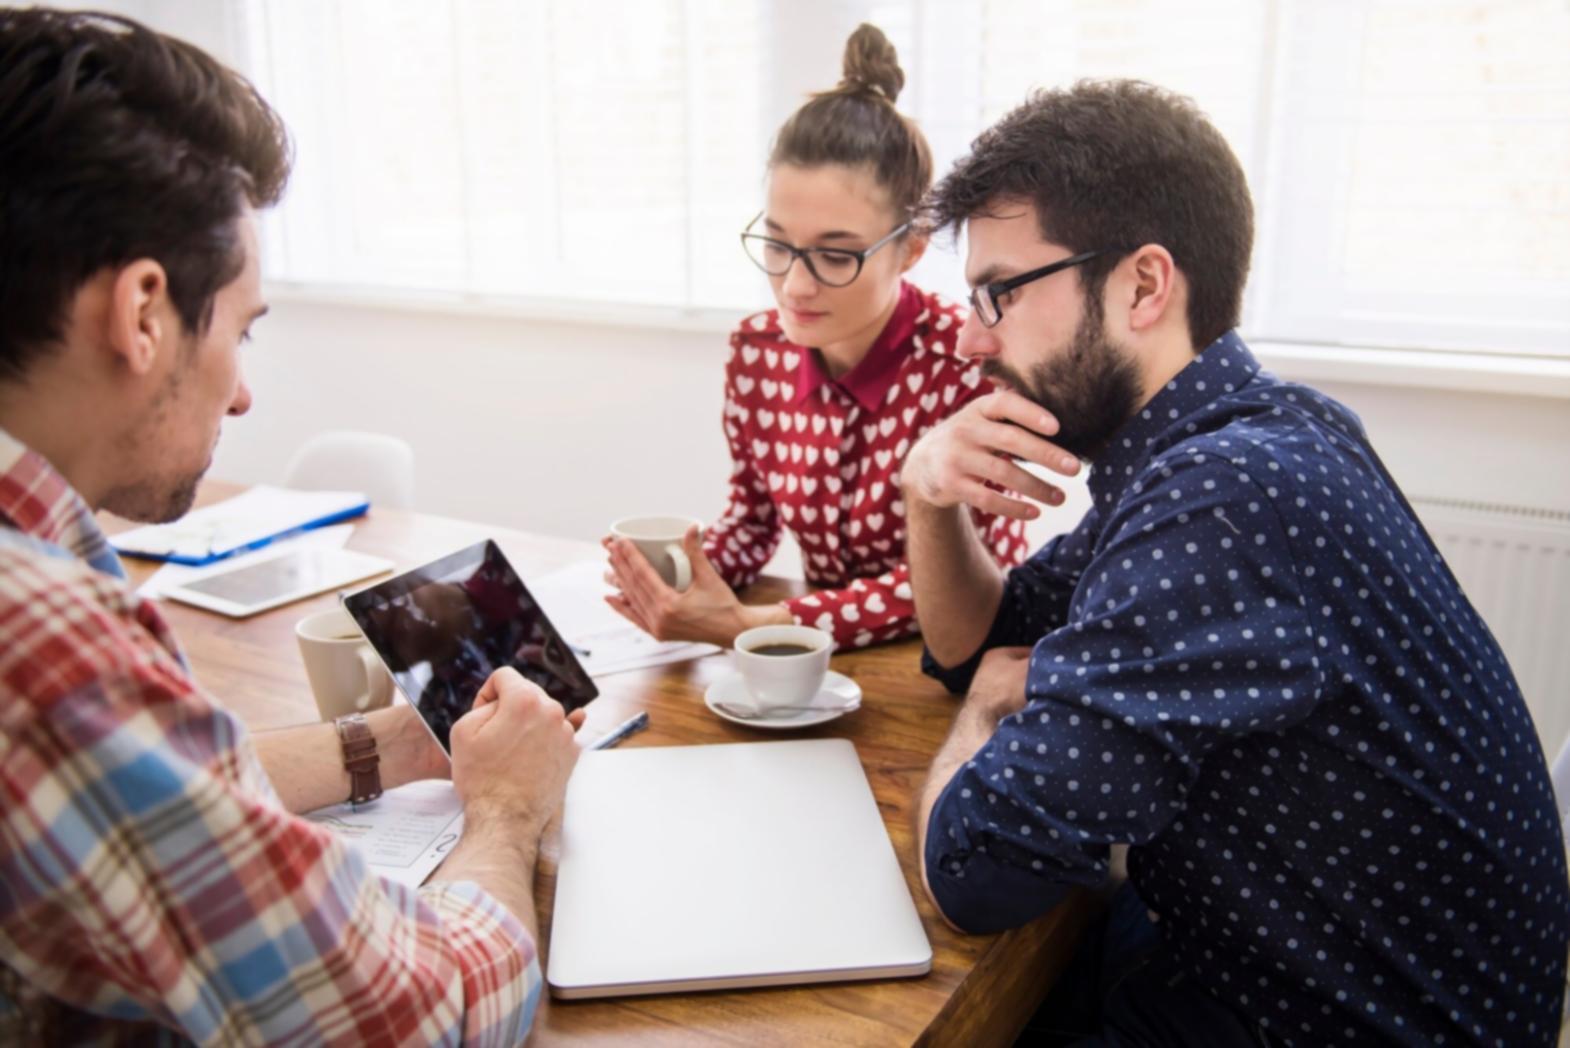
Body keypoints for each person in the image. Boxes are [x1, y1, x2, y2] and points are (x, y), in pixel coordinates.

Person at [901, 80, 1570, 1046]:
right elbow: (989, 639)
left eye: (1000, 292)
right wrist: (929, 495)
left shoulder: (1226, 496)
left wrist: (981, 714)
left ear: (1142, 284)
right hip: (1274, 958)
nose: (970, 339)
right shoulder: (1242, 438)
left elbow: (975, 870)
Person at [0, 10, 579, 1043]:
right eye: (240, 327)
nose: (243, 398)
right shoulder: (39, 640)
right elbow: (418, 1012)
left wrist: (398, 743)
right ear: (142, 313)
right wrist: (505, 811)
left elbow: (162, 795)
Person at [605, 23, 1029, 651]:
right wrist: (677, 577)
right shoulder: (758, 353)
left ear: (910, 250)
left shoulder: (969, 364)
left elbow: (980, 579)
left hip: (955, 668)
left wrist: (755, 625)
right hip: (809, 668)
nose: (795, 287)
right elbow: (751, 525)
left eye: (836, 256)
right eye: (778, 245)